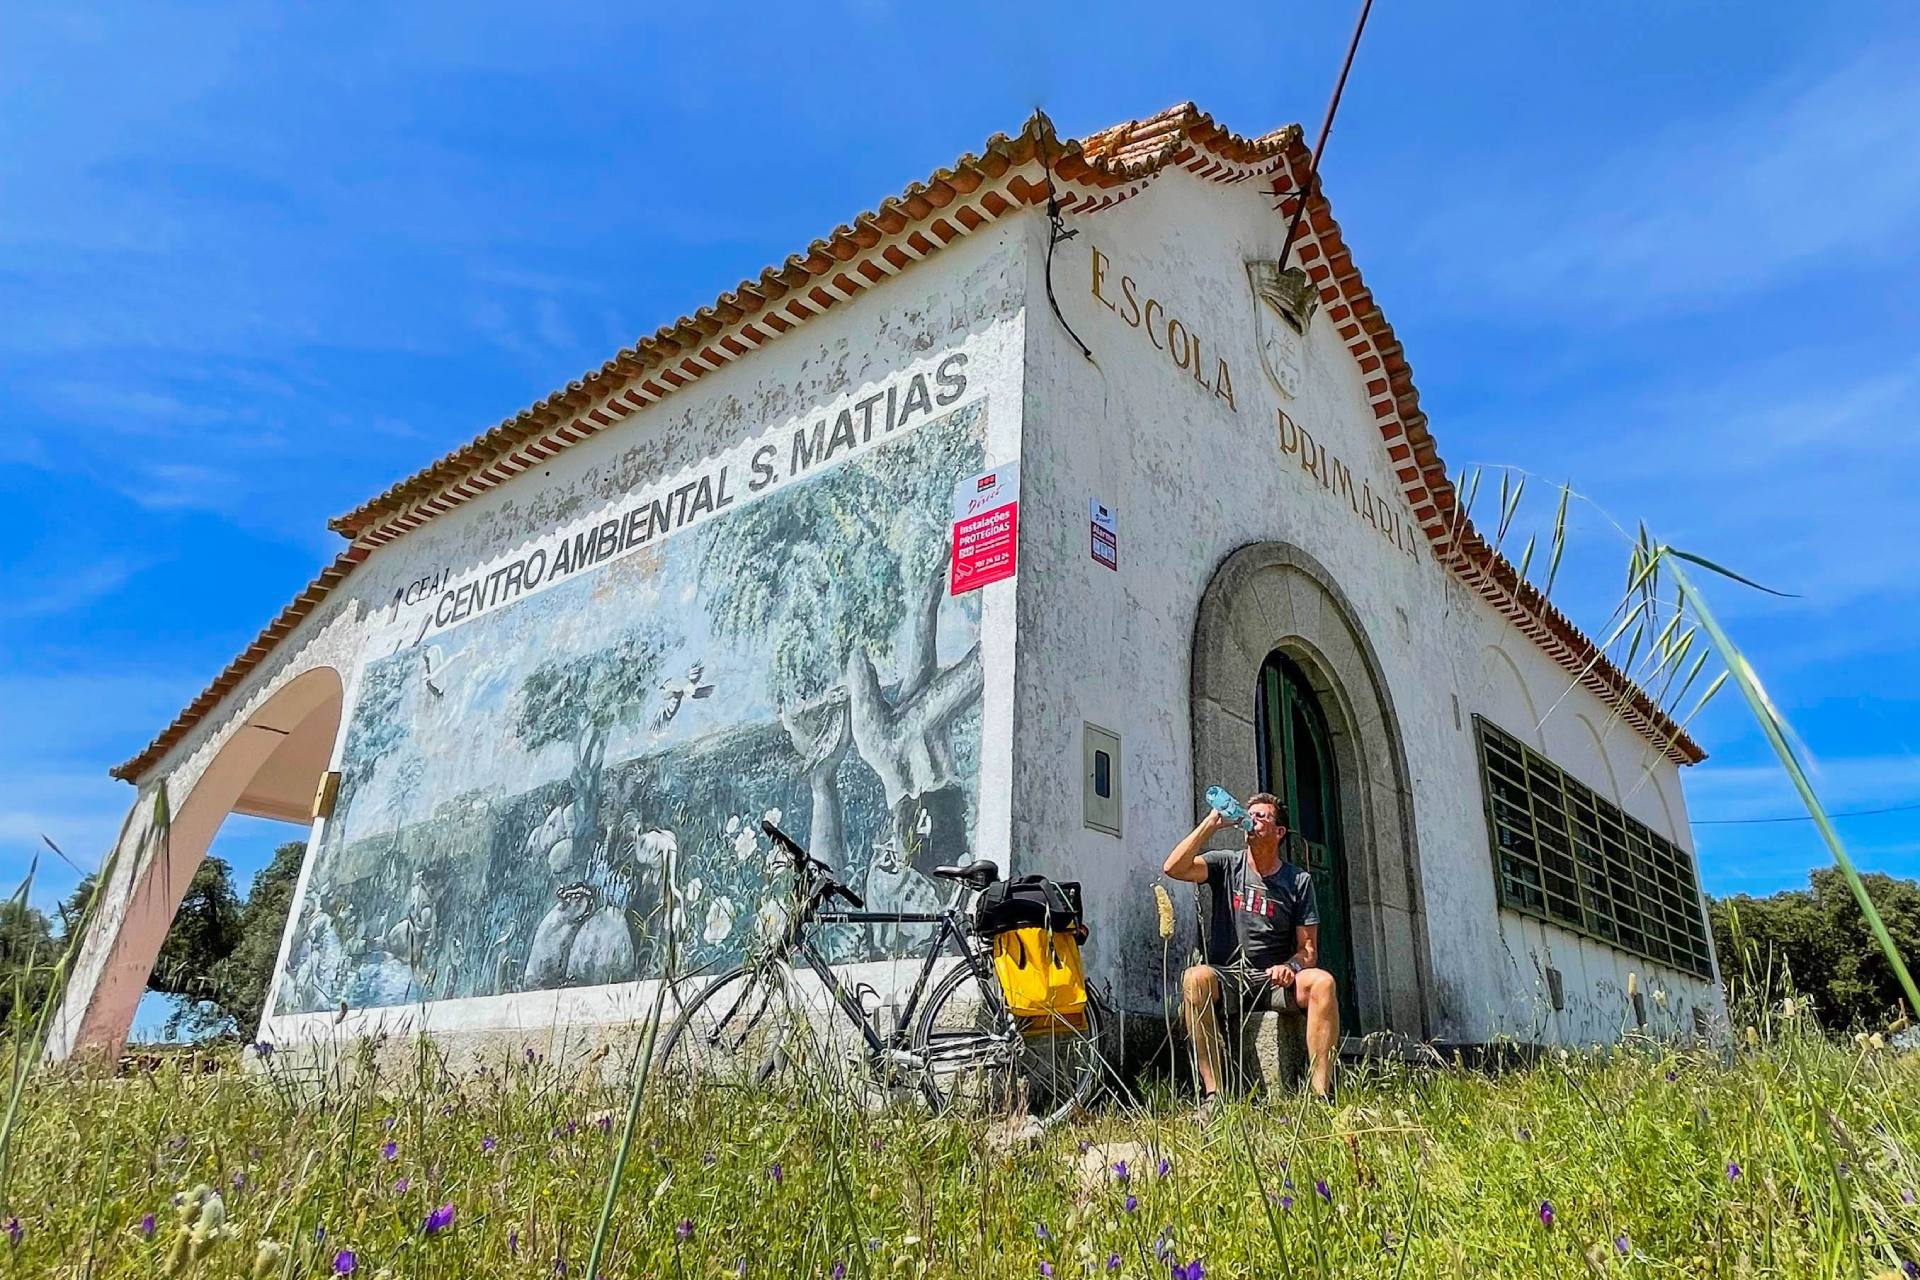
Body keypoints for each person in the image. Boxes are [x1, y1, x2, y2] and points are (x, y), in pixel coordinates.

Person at [1163, 792, 1339, 1108]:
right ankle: (1214, 1094)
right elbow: (1174, 868)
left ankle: (1320, 1096)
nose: (1252, 820)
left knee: (1323, 983)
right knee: (1194, 978)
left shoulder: (1297, 880)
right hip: (1230, 976)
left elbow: (1308, 950)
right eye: (1250, 814)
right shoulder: (1226, 864)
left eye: (1262, 816)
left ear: (1279, 831)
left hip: (1274, 980)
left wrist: (1292, 967)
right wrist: (1211, 823)